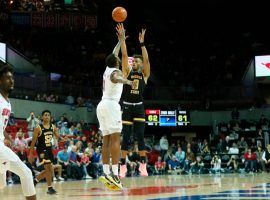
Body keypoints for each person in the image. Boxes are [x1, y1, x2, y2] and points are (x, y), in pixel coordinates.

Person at [96, 32, 133, 190]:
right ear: (117, 62)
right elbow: (117, 78)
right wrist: (127, 81)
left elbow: (114, 53)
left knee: (106, 140)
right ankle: (115, 174)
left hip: (102, 105)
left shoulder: (107, 69)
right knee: (116, 138)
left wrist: (120, 41)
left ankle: (105, 172)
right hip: (111, 106)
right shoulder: (115, 72)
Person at [116, 23, 151, 178]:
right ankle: (122, 166)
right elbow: (124, 55)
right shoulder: (127, 71)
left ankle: (143, 165)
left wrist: (142, 43)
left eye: (137, 61)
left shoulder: (144, 74)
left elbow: (147, 60)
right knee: (126, 137)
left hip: (139, 107)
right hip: (127, 106)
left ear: (141, 64)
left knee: (140, 136)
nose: (135, 62)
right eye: (134, 61)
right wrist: (122, 39)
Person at [0, 62, 36, 200]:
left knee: (1, 184)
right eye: (8, 78)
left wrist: (6, 137)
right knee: (26, 173)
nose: (12, 81)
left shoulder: (7, 102)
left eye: (12, 78)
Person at [29, 110, 59, 194]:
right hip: (41, 150)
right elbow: (33, 142)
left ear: (50, 117)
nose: (47, 116)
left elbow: (58, 137)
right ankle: (50, 188)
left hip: (49, 149)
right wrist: (30, 154)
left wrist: (64, 138)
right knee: (48, 168)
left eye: (48, 115)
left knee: (49, 170)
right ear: (42, 117)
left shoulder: (53, 127)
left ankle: (35, 180)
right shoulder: (38, 127)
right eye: (45, 115)